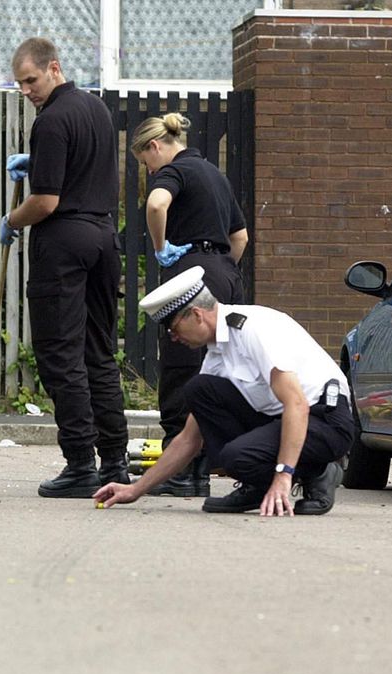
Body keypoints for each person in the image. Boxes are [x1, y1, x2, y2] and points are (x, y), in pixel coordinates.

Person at [94, 267, 354, 516]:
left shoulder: (253, 330)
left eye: (173, 328)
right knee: (199, 389)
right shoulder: (218, 353)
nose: (173, 337)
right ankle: (260, 485)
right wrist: (135, 490)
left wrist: (283, 475)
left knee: (236, 457)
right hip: (289, 419)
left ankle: (317, 472)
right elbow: (188, 439)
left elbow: (297, 404)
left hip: (325, 419)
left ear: (196, 315)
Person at [1, 37, 130, 498]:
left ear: (54, 68)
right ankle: (115, 458)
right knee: (98, 351)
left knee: (61, 354)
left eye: (31, 80)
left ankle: (79, 463)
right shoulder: (95, 110)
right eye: (19, 84)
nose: (27, 90)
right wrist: (39, 163)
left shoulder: (51, 119)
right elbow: (81, 167)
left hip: (65, 242)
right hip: (103, 238)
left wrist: (12, 220)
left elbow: (46, 200)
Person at [132, 113, 249, 498]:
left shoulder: (176, 171)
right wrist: (222, 269)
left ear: (155, 146)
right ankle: (203, 465)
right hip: (225, 275)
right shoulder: (215, 174)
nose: (149, 171)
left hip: (192, 277)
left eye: (145, 162)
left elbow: (155, 205)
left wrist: (162, 247)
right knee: (218, 367)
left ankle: (182, 472)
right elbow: (241, 236)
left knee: (182, 367)